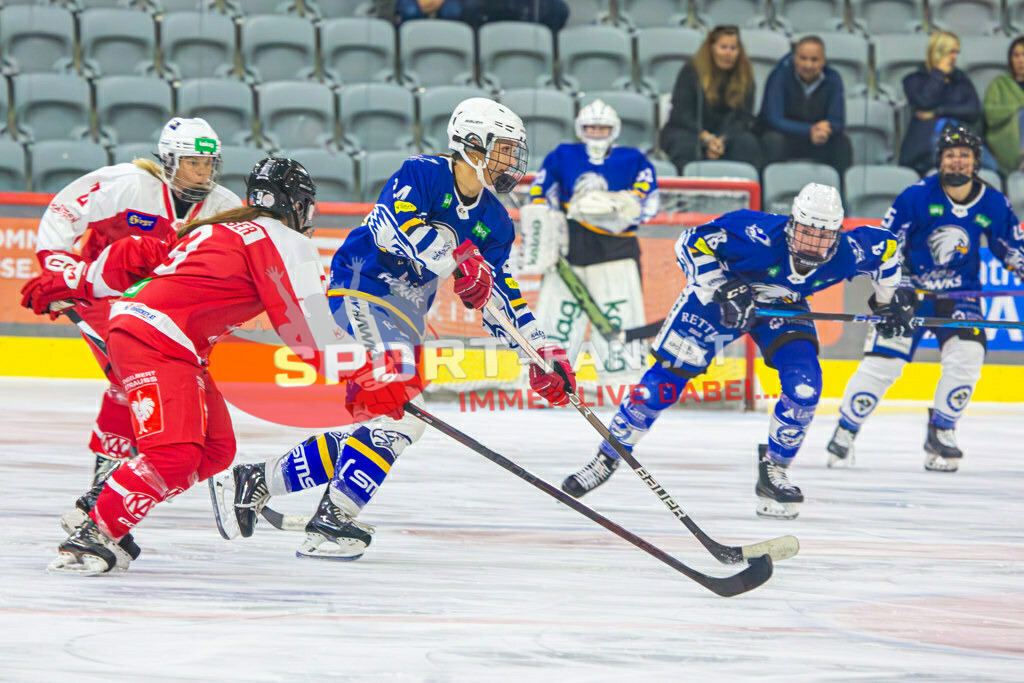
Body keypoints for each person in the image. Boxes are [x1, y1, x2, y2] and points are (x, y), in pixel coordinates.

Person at [220, 98, 578, 560]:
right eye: (504, 150)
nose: (511, 163)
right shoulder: (423, 173)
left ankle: (260, 480)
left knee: (392, 422)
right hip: (361, 293)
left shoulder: (495, 221)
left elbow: (499, 294)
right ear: (471, 144)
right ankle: (330, 523)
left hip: (404, 317)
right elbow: (393, 225)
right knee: (402, 412)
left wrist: (539, 350)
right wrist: (459, 263)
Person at [21, 158, 372, 574]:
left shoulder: (220, 226)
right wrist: (371, 375)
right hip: (157, 339)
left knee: (216, 450)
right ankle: (94, 532)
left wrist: (74, 282)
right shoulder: (282, 239)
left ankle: (102, 502)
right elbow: (308, 332)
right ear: (296, 205)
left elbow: (138, 254)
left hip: (165, 339)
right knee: (174, 454)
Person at [560, 183, 906, 520]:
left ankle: (775, 470)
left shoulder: (849, 251)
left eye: (823, 235)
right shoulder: (754, 232)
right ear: (791, 224)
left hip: (780, 312)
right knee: (658, 388)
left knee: (804, 389)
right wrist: (723, 285)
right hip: (716, 305)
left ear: (837, 233)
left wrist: (888, 303)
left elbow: (888, 249)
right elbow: (690, 243)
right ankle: (606, 458)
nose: (813, 243)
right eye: (805, 231)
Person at [32, 117, 242, 486]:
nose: (202, 173)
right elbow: (63, 210)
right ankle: (110, 465)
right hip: (102, 293)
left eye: (209, 164)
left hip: (163, 306)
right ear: (169, 161)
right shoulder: (126, 184)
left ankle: (121, 465)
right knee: (125, 377)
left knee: (136, 381)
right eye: (194, 163)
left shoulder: (223, 206)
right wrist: (59, 266)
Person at [827, 124, 1024, 473]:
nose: (958, 161)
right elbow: (887, 245)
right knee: (881, 366)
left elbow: (1012, 247)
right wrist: (892, 290)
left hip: (960, 297)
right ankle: (846, 428)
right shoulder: (915, 197)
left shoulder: (993, 202)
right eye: (951, 155)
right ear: (940, 161)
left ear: (976, 161)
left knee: (968, 355)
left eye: (965, 155)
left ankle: (942, 430)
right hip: (910, 293)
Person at [519, 99, 659, 385]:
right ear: (580, 129)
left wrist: (620, 204)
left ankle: (624, 383)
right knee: (559, 317)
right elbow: (539, 192)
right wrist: (549, 220)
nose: (596, 132)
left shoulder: (634, 159)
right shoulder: (562, 155)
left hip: (617, 250)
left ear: (614, 129)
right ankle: (545, 380)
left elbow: (647, 197)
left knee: (619, 316)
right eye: (590, 127)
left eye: (602, 127)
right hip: (571, 248)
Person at [660, 25, 762, 173]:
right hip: (691, 131)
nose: (728, 53)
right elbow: (681, 114)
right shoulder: (691, 72)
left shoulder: (745, 77)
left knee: (748, 145)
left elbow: (743, 118)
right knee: (685, 148)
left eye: (733, 48)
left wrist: (722, 140)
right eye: (723, 47)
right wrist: (706, 138)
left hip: (728, 135)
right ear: (711, 49)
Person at [760, 35, 852, 175]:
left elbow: (838, 121)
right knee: (772, 140)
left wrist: (826, 130)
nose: (808, 65)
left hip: (818, 139)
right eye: (803, 58)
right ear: (794, 59)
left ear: (823, 61)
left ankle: (841, 193)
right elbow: (774, 119)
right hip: (786, 136)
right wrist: (810, 130)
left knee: (842, 143)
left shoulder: (833, 78)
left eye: (814, 60)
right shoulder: (779, 76)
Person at [898, 30, 982, 176]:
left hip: (961, 139)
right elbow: (924, 102)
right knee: (944, 126)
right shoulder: (913, 80)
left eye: (956, 52)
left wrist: (939, 112)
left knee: (951, 126)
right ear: (937, 52)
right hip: (924, 149)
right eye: (950, 52)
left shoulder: (961, 80)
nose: (954, 57)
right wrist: (938, 75)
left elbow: (973, 111)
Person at [983, 36, 1024, 175]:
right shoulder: (999, 84)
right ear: (1010, 59)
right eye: (1016, 55)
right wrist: (1016, 108)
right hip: (1005, 136)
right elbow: (990, 114)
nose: (1020, 60)